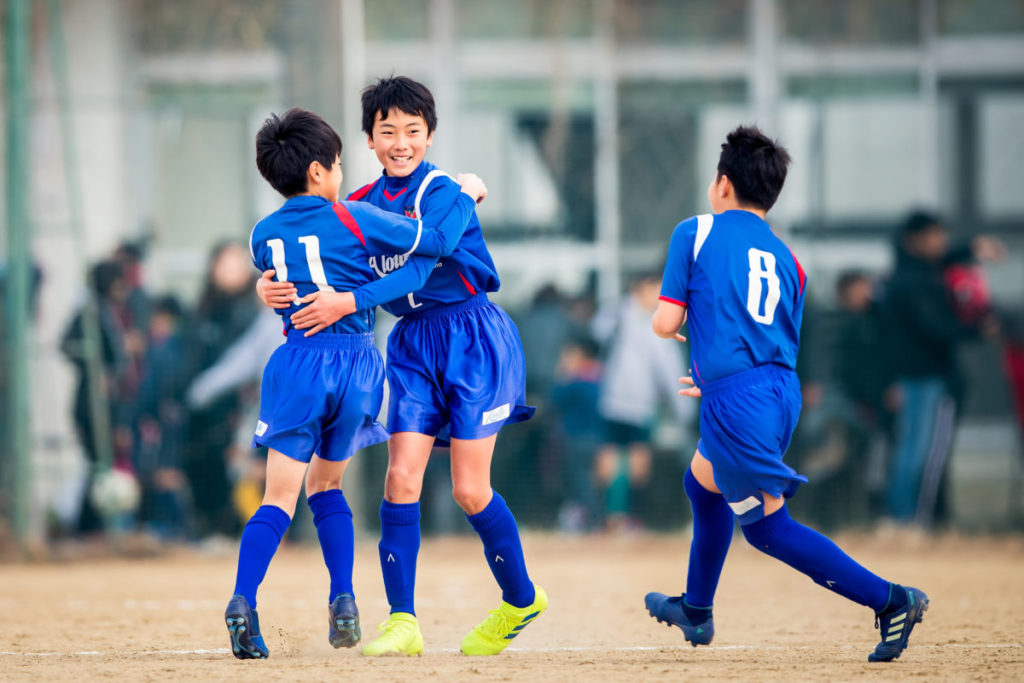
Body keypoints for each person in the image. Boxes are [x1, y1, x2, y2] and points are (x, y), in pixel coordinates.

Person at [257, 76, 546, 657]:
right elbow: (319, 257)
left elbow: (427, 257)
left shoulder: (442, 190)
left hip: (472, 337)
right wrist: (271, 285)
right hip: (411, 344)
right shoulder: (357, 205)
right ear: (368, 139)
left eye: (412, 130)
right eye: (387, 130)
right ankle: (402, 621)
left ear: (430, 135)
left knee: (469, 489)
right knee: (400, 478)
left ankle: (521, 601)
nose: (400, 141)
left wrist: (348, 302)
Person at [644, 126, 928, 663]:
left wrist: (697, 353)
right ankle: (696, 610)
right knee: (701, 483)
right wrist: (716, 376)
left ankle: (892, 601)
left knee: (769, 529)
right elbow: (770, 336)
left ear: (723, 184)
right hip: (777, 391)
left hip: (739, 401)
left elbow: (665, 321)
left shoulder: (695, 232)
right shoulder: (787, 257)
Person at [225, 107, 488, 659]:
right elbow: (434, 244)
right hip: (358, 368)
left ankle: (243, 600)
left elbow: (273, 274)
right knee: (327, 487)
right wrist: (466, 193)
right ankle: (344, 602)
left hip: (298, 362)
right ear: (320, 172)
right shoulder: (353, 217)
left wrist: (263, 291)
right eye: (339, 163)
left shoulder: (261, 233)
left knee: (280, 496)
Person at [883, 211, 1003, 527]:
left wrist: (973, 249)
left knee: (912, 451)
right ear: (915, 240)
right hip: (928, 377)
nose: (941, 242)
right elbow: (934, 327)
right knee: (923, 455)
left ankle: (902, 517)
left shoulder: (910, 273)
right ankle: (914, 519)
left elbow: (943, 258)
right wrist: (977, 329)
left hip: (916, 376)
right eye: (934, 236)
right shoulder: (913, 282)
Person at [592, 271, 691, 531]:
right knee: (613, 459)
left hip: (637, 405)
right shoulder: (620, 314)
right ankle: (612, 516)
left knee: (636, 463)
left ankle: (625, 516)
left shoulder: (654, 323)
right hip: (615, 401)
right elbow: (598, 331)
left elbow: (669, 369)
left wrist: (683, 406)